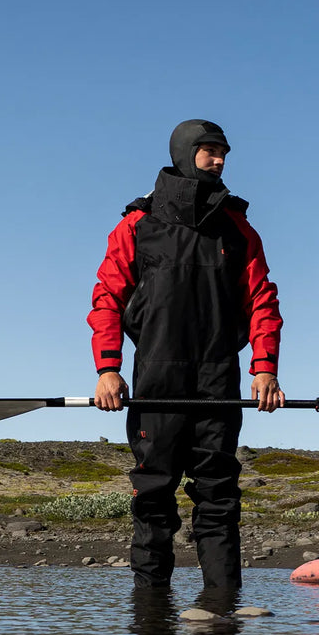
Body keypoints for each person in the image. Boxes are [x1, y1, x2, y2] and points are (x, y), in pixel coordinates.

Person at [88, 120, 284, 589]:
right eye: (208, 151)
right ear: (183, 152)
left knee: (218, 494)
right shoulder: (137, 224)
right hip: (155, 378)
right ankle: (150, 616)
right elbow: (107, 298)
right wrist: (108, 368)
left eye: (223, 153)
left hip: (219, 379)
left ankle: (223, 609)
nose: (218, 160)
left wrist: (265, 369)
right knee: (153, 492)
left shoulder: (237, 227)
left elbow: (262, 300)